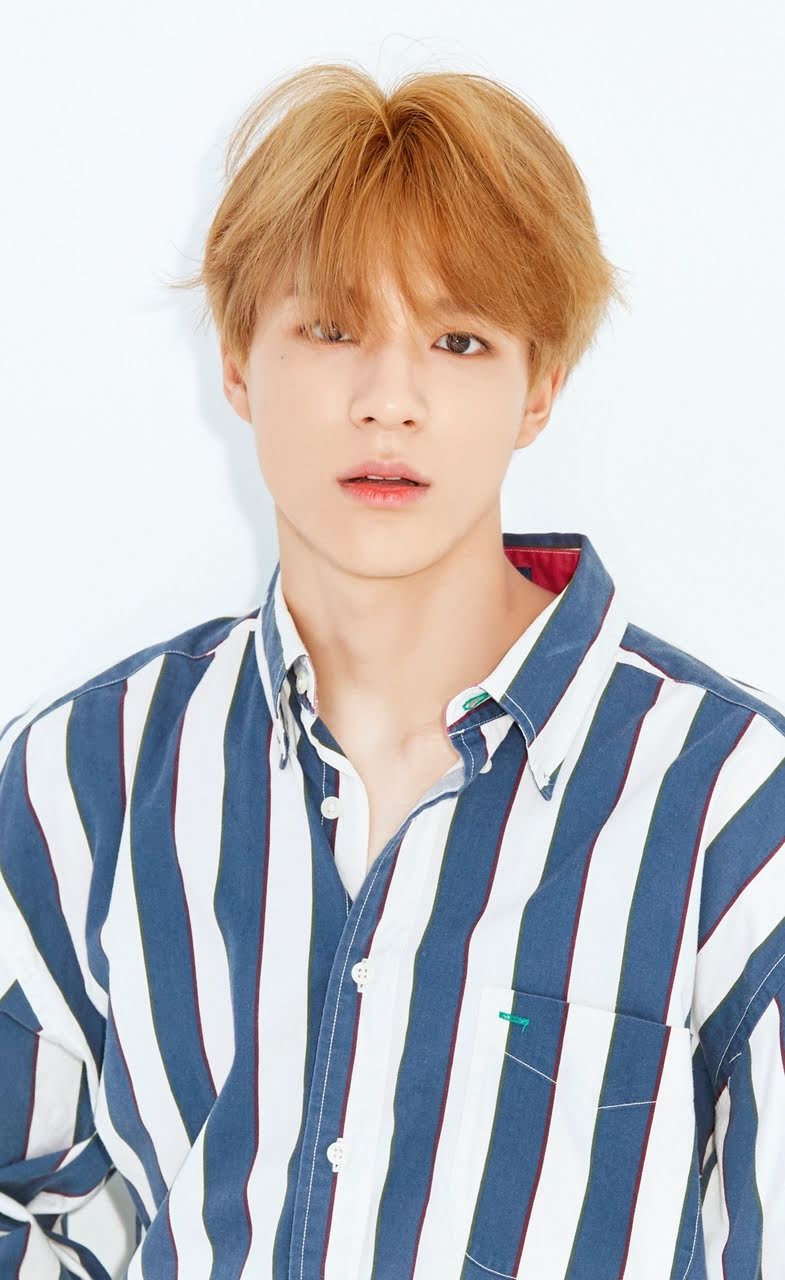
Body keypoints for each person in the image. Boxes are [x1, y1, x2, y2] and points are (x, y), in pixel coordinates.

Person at [1, 59, 783, 1280]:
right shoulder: (83, 776)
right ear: (237, 360)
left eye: (458, 339)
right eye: (330, 329)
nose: (389, 399)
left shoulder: (731, 803)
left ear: (539, 387)